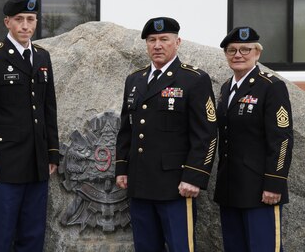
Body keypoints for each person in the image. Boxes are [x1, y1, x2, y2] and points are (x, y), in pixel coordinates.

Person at [115, 17, 218, 251]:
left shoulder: (194, 79)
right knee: (145, 246)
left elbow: (207, 134)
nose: (157, 45)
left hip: (176, 185)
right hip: (140, 182)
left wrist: (195, 176)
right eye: (152, 40)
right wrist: (122, 168)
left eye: (164, 39)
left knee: (180, 246)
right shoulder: (135, 79)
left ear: (178, 42)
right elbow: (127, 128)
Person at [0, 0, 60, 251]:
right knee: (0, 236)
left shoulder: (42, 57)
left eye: (30, 20)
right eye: (19, 20)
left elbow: (48, 108)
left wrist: (52, 152)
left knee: (33, 236)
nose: (25, 26)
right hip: (4, 165)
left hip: (37, 163)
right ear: (7, 22)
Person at [214, 26, 293, 251]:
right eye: (232, 50)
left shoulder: (271, 87)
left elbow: (282, 139)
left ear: (257, 53)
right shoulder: (227, 88)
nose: (238, 55)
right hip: (230, 188)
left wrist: (275, 183)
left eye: (245, 49)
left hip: (261, 190)